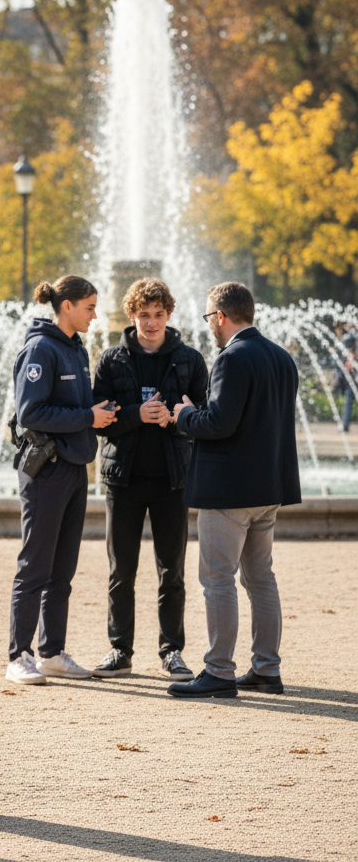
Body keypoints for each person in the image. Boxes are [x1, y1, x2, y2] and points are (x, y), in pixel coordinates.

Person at [169, 282, 301, 699]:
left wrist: (185, 415)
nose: (209, 325)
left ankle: (219, 671)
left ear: (221, 317)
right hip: (269, 487)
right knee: (261, 579)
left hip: (228, 491)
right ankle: (266, 668)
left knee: (218, 580)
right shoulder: (282, 357)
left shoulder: (232, 357)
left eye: (209, 317)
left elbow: (220, 424)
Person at [90, 278, 208, 682]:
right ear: (132, 315)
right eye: (144, 315)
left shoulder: (191, 359)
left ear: (169, 315)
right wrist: (135, 415)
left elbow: (205, 419)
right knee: (120, 569)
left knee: (171, 571)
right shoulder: (111, 359)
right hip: (122, 479)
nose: (152, 322)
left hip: (173, 480)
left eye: (158, 315)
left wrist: (175, 419)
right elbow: (99, 420)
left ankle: (172, 651)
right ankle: (119, 650)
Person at [7, 276, 118, 686]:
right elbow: (31, 413)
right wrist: (89, 418)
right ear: (66, 306)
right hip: (45, 470)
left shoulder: (74, 348)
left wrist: (96, 410)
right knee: (35, 565)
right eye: (89, 307)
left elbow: (68, 407)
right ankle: (18, 655)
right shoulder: (40, 348)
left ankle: (51, 651)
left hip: (73, 467)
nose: (95, 314)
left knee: (62, 568)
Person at [333, 323, 356, 433]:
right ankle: (345, 425)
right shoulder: (348, 339)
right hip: (350, 375)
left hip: (351, 374)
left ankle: (345, 425)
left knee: (348, 400)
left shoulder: (348, 338)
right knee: (348, 400)